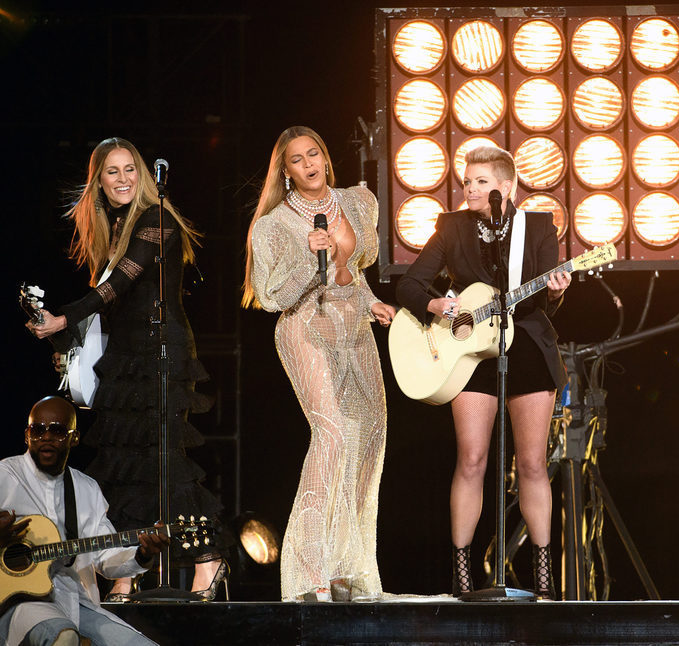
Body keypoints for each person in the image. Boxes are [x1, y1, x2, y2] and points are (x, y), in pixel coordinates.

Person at [26, 137, 226, 600]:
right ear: (99, 182)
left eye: (129, 169)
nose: (123, 179)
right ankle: (127, 567)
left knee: (163, 462)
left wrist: (64, 316)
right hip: (125, 357)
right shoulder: (112, 229)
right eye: (112, 172)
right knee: (128, 468)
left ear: (142, 174)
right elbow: (108, 310)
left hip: (161, 353)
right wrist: (67, 342)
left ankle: (209, 557)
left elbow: (120, 284)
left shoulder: (157, 221)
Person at [395, 145, 571, 599]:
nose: (470, 189)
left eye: (480, 182)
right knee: (471, 461)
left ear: (505, 187)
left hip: (527, 347)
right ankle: (462, 578)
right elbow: (410, 284)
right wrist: (435, 303)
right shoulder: (452, 227)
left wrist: (555, 292)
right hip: (470, 355)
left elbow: (544, 296)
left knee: (532, 463)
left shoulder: (537, 227)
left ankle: (545, 581)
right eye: (467, 181)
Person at [243, 126, 396, 602]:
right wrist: (312, 262)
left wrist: (371, 303)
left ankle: (347, 571)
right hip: (305, 328)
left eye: (314, 154)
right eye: (296, 159)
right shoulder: (275, 226)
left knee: (368, 435)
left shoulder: (357, 202)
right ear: (284, 171)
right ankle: (308, 574)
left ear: (326, 159)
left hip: (354, 328)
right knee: (331, 434)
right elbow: (271, 299)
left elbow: (358, 270)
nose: (308, 163)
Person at [0, 396, 170, 646]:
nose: (46, 437)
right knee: (63, 637)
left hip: (75, 602)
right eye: (37, 430)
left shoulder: (86, 489)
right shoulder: (4, 475)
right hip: (18, 602)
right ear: (27, 436)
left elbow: (105, 559)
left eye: (57, 430)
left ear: (74, 438)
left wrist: (142, 555)